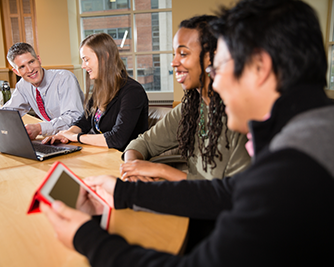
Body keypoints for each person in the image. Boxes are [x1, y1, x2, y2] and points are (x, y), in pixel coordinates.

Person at [40, 0, 334, 266]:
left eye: (220, 68)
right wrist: (123, 191)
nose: (215, 83)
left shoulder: (293, 169)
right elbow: (226, 193)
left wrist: (86, 238)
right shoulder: (312, 130)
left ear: (260, 68)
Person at [121, 16, 250, 182]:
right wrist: (134, 169)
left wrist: (162, 170)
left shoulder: (238, 117)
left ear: (212, 57)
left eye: (183, 54)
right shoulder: (191, 108)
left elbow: (231, 193)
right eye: (174, 54)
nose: (174, 63)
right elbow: (142, 143)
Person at [43, 33, 148, 152]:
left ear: (105, 57)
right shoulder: (101, 89)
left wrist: (75, 137)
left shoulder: (133, 92)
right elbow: (84, 122)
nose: (83, 66)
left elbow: (117, 139)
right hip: (102, 153)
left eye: (86, 60)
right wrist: (65, 134)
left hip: (123, 159)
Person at [3, 42, 84, 139]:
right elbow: (9, 112)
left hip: (79, 137)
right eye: (22, 67)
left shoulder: (64, 79)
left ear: (39, 59)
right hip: (57, 138)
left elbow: (74, 117)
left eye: (31, 62)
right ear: (16, 72)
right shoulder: (23, 85)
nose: (30, 70)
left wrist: (40, 128)